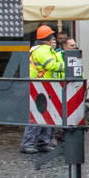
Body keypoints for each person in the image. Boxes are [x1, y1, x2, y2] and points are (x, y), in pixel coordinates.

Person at [21, 24, 64, 154]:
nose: (54, 40)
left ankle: (42, 142)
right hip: (41, 86)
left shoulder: (40, 49)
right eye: (52, 37)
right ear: (48, 38)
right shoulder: (42, 50)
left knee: (46, 115)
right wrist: (67, 65)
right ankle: (29, 143)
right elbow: (50, 65)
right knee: (37, 115)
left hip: (43, 85)